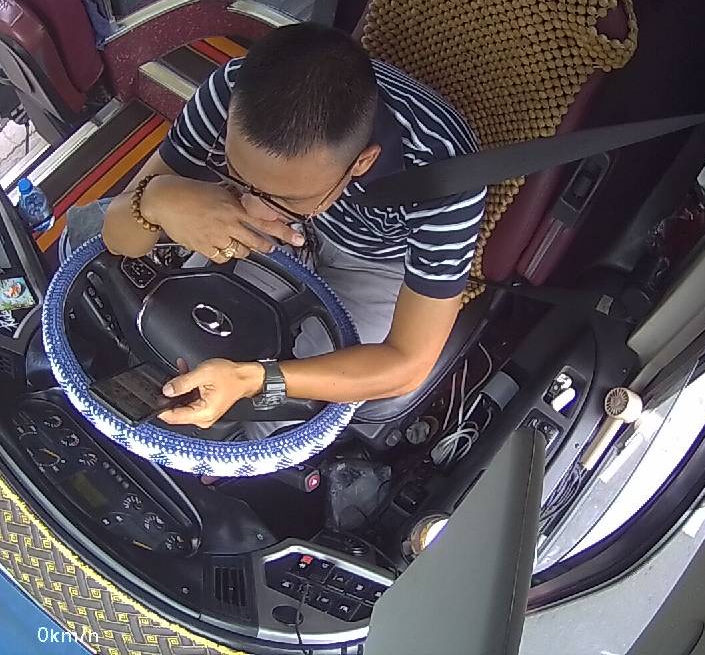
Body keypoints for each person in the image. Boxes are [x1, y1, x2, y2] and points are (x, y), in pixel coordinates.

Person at [77, 22, 484, 429]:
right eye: (237, 174)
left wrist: (258, 380)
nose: (255, 210)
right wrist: (155, 200)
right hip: (295, 234)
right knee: (186, 324)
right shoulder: (230, 91)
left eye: (285, 199)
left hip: (376, 260)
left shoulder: (443, 174)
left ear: (361, 163)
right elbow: (116, 236)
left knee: (280, 414)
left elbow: (406, 362)